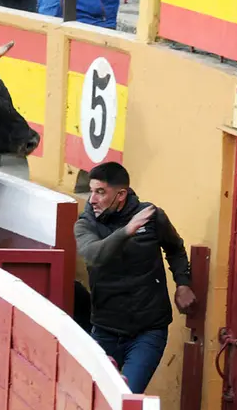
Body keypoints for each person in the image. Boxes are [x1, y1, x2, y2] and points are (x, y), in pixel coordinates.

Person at [74, 162, 195, 394]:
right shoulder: (85, 224)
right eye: (91, 191)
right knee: (95, 399)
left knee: (126, 397)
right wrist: (127, 231)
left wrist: (183, 283)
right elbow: (93, 256)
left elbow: (175, 249)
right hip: (104, 330)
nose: (92, 199)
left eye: (100, 192)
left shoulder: (152, 217)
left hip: (147, 331)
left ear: (120, 195)